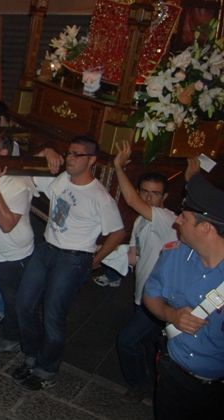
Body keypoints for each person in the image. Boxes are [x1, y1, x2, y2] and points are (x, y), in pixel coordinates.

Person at [14, 136, 126, 390]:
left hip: (73, 258)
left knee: (53, 315)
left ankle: (46, 369)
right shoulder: (62, 179)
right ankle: (32, 355)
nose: (70, 159)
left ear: (92, 160)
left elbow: (118, 232)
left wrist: (95, 260)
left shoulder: (100, 196)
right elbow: (32, 162)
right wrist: (47, 147)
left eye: (77, 154)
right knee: (23, 303)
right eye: (69, 153)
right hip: (47, 249)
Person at [143, 172, 224, 419]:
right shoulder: (173, 256)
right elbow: (151, 295)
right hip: (174, 374)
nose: (177, 221)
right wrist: (171, 314)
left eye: (185, 217)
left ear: (206, 228)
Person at [112, 141, 177, 402]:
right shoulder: (141, 221)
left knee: (127, 342)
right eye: (145, 192)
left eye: (155, 194)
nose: (149, 198)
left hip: (159, 300)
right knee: (150, 345)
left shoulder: (167, 219)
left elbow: (130, 200)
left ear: (165, 198)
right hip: (142, 295)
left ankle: (138, 386)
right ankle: (157, 385)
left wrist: (118, 166)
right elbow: (136, 252)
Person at [0, 130, 36, 353]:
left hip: (14, 255)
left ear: (3, 153)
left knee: (14, 300)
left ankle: (15, 337)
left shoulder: (18, 182)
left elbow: (7, 224)